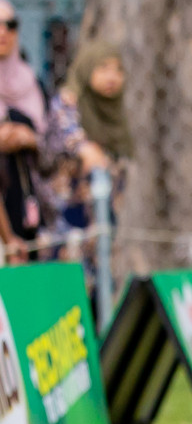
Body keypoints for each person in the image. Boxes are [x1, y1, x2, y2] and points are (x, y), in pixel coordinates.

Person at [39, 40, 126, 265]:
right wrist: (91, 154)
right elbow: (84, 151)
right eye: (103, 68)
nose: (112, 77)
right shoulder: (67, 102)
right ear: (87, 68)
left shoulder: (114, 112)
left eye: (118, 70)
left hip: (101, 222)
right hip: (62, 220)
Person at [0, 0, 50, 258]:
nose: (3, 32)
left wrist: (31, 139)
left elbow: (54, 151)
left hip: (29, 206)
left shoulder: (32, 84)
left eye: (10, 25)